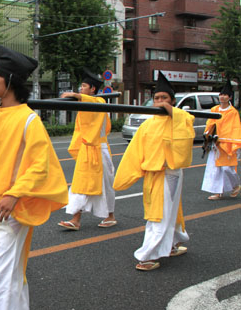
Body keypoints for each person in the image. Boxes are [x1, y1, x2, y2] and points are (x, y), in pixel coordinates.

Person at [0, 45, 69, 310]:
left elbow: (41, 166)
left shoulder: (29, 119)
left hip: (12, 206)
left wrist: (14, 193)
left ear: (9, 80)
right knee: (0, 266)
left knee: (0, 269)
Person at [113, 71, 194, 271]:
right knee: (159, 215)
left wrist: (172, 111)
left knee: (172, 212)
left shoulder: (180, 118)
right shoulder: (148, 125)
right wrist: (127, 176)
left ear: (172, 101)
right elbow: (134, 152)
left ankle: (173, 244)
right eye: (156, 98)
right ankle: (146, 256)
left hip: (173, 172)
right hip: (155, 174)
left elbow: (187, 126)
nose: (159, 101)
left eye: (164, 98)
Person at [58, 68, 116, 231]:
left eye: (84, 86)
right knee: (81, 183)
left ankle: (110, 215)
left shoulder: (99, 102)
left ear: (92, 90)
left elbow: (96, 103)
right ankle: (76, 219)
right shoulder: (84, 103)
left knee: (106, 184)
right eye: (80, 87)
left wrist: (77, 96)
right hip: (86, 148)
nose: (80, 89)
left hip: (100, 149)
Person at [201, 80, 241, 200]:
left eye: (225, 95)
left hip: (227, 143)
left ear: (229, 97)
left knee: (227, 168)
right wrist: (208, 135)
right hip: (215, 143)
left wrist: (230, 141)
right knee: (215, 168)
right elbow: (210, 123)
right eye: (221, 94)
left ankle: (235, 185)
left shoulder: (232, 112)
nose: (222, 97)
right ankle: (218, 192)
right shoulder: (215, 109)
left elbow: (234, 127)